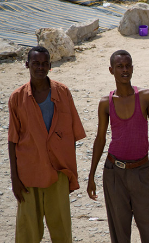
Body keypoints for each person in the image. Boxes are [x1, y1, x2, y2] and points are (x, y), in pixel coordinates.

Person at [87, 50, 149, 243]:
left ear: (133, 68)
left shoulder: (145, 97)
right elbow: (100, 139)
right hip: (114, 173)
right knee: (120, 232)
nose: (124, 70)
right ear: (111, 70)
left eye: (128, 66)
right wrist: (91, 175)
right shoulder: (105, 103)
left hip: (141, 170)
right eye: (120, 67)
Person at [8, 46, 86, 243]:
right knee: (28, 233)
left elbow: (71, 136)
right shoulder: (17, 98)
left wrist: (70, 172)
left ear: (50, 66)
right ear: (27, 65)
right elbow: (12, 140)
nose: (40, 68)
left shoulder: (63, 93)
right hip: (28, 174)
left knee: (61, 231)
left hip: (58, 172)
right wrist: (15, 178)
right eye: (36, 63)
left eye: (44, 64)